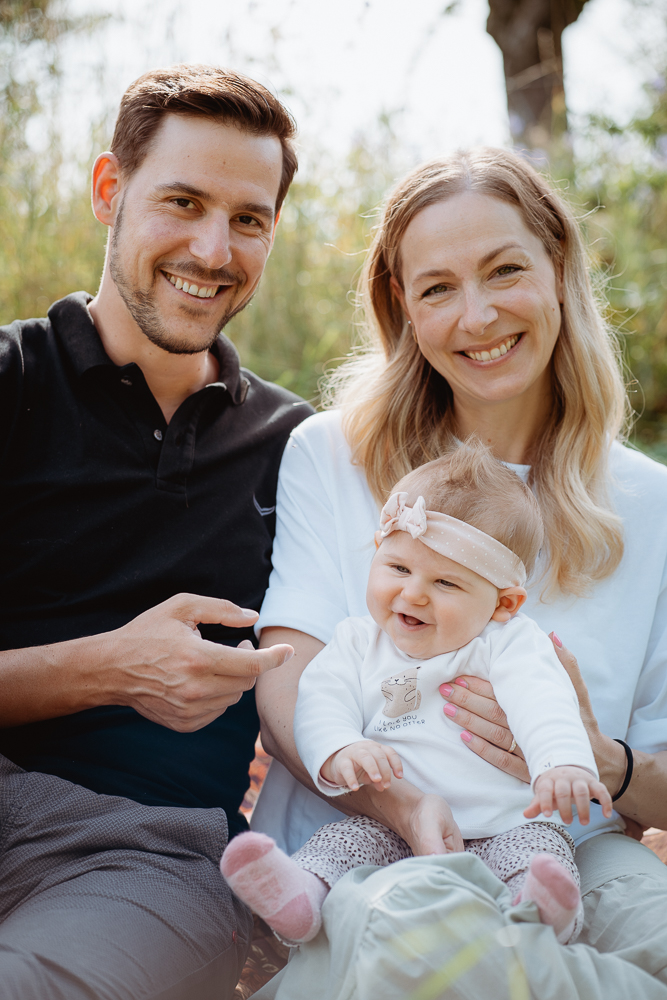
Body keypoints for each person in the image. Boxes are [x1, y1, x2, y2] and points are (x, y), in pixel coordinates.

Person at [250, 147, 667, 998]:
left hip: (563, 850)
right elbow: (290, 676)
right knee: (430, 940)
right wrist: (398, 801)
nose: (477, 316)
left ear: (558, 268)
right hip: (366, 847)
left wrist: (599, 761)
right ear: (401, 304)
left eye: (504, 271)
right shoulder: (331, 454)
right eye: (437, 287)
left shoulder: (650, 502)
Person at [0, 64, 312, 999]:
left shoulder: (301, 449)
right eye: (182, 202)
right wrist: (108, 668)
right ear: (110, 190)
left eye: (248, 219)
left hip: (137, 855)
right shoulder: (10, 381)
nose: (213, 251)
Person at [222, 445, 613, 947]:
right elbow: (321, 701)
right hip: (393, 823)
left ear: (504, 603)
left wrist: (561, 764)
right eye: (399, 568)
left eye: (445, 582)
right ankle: (301, 897)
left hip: (506, 824)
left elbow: (544, 701)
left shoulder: (508, 644)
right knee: (343, 845)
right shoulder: (358, 641)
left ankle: (539, 914)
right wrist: (341, 748)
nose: (413, 594)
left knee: (539, 852)